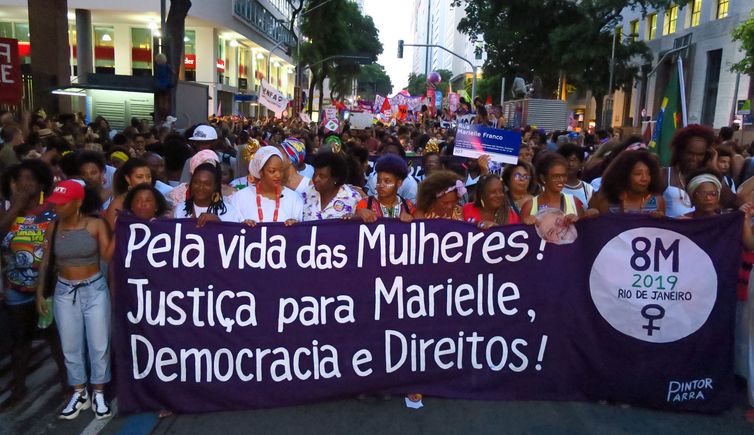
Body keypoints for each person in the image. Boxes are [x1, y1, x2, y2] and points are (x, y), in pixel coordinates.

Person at [37, 180, 113, 420]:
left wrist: (123, 229)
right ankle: (79, 393)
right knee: (70, 346)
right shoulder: (54, 226)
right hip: (63, 291)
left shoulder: (95, 224)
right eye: (56, 203)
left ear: (78, 202)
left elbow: (108, 255)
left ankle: (99, 392)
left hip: (95, 289)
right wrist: (40, 293)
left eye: (62, 203)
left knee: (99, 345)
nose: (57, 207)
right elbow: (46, 261)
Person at [0, 160, 66, 409]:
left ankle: (68, 385)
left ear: (40, 184)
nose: (24, 184)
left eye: (31, 179)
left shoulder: (52, 211)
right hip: (15, 288)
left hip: (46, 288)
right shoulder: (5, 210)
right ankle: (18, 388)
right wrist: (15, 206)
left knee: (55, 339)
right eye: (19, 179)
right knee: (20, 341)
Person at [663, 125, 740, 217]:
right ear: (680, 151)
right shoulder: (665, 174)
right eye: (690, 153)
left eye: (700, 154)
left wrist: (713, 168)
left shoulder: (711, 177)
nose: (694, 158)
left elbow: (733, 202)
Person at [231, 146, 303, 226]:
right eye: (272, 171)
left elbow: (302, 233)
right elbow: (232, 230)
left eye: (281, 170)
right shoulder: (240, 198)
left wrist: (296, 226)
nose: (278, 175)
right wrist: (241, 226)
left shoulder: (294, 199)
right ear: (261, 172)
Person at [520, 153, 592, 225]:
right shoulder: (529, 206)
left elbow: (584, 231)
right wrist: (528, 224)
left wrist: (578, 220)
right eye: (556, 176)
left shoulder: (574, 201)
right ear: (543, 178)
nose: (561, 180)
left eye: (564, 175)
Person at [590, 150, 666, 216]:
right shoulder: (605, 200)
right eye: (638, 174)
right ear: (623, 176)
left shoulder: (657, 201)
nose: (645, 178)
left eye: (649, 173)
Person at [174, 162, 241, 224]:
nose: (200, 187)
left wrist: (218, 223)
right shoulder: (180, 209)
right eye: (196, 182)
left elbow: (233, 234)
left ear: (215, 187)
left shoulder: (230, 212)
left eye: (207, 184)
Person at [303, 152, 361, 221]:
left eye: (322, 176)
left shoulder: (353, 198)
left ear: (335, 178)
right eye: (315, 174)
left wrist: (355, 218)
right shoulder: (306, 194)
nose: (315, 179)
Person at [356, 154, 414, 223]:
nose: (381, 185)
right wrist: (357, 215)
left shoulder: (408, 206)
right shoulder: (365, 203)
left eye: (387, 181)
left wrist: (411, 218)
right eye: (379, 180)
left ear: (399, 183)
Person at [104, 158, 152, 231]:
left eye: (148, 177)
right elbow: (108, 235)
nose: (145, 181)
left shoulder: (155, 200)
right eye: (139, 177)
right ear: (127, 179)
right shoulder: (118, 205)